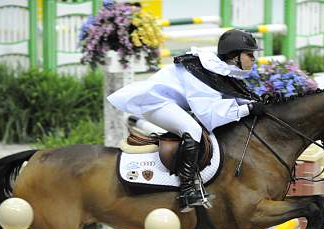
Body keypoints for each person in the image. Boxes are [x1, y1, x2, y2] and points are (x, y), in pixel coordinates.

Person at [107, 29, 267, 213]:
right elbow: (209, 116)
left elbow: (237, 97)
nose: (254, 58)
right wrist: (247, 109)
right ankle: (187, 190)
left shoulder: (220, 68)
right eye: (250, 54)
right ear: (234, 56)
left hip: (169, 102)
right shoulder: (203, 71)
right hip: (155, 103)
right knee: (193, 130)